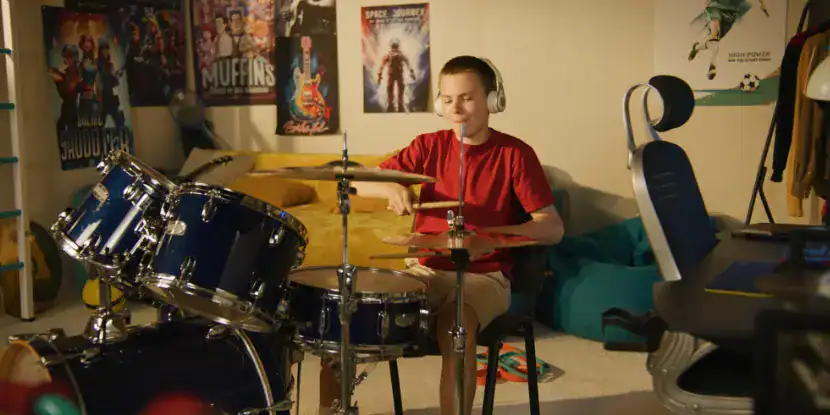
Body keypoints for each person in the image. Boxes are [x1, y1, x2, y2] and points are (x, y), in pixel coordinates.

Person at [316, 55, 565, 415]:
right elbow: (351, 180)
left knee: (455, 324)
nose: (456, 109)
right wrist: (389, 190)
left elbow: (552, 227)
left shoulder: (516, 154)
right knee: (347, 316)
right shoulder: (428, 146)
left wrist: (492, 238)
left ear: (493, 100)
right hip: (425, 271)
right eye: (448, 100)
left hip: (486, 277)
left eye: (467, 98)